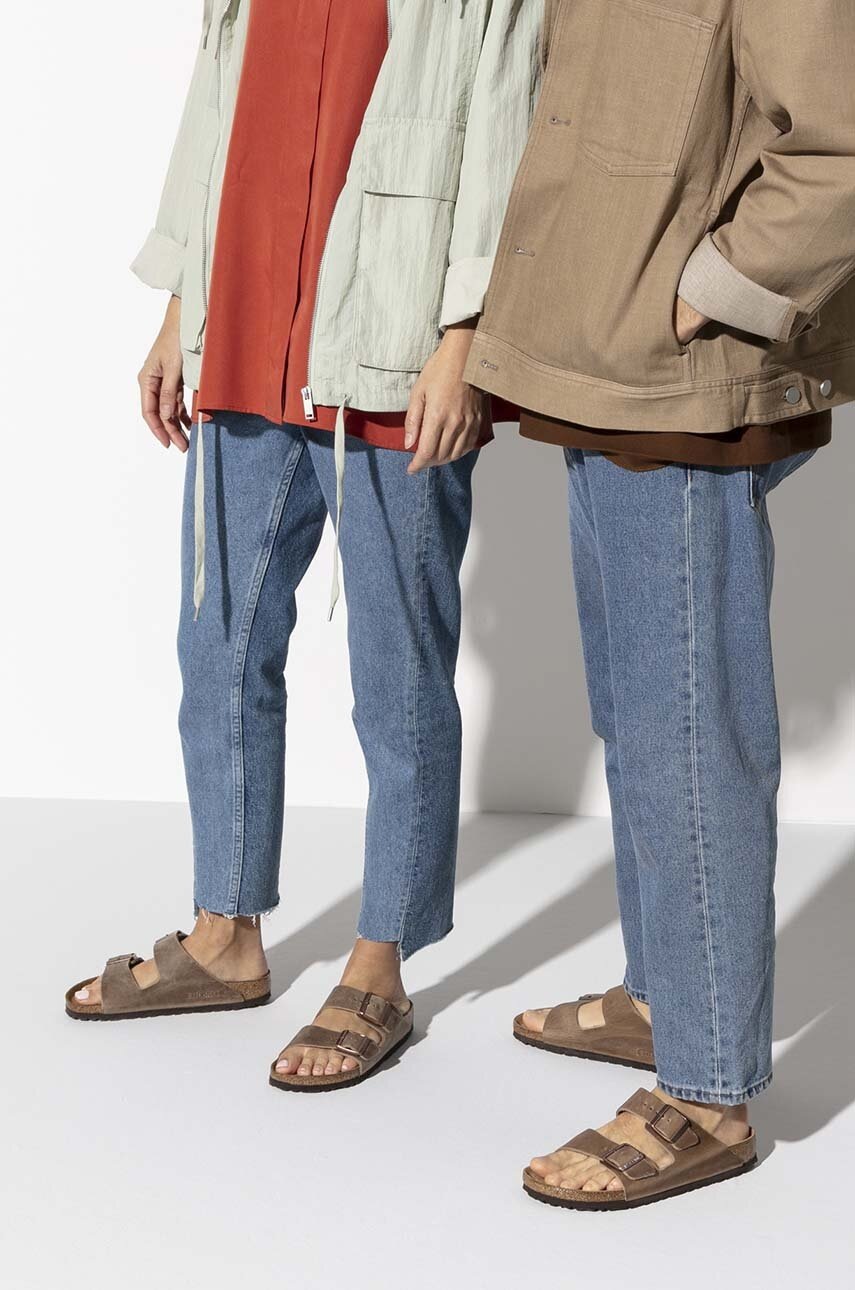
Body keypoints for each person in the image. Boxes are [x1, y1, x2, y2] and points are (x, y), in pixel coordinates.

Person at [65, 0, 540, 1092]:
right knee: (218, 645)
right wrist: (181, 307)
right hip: (242, 327)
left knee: (397, 674)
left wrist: (467, 337)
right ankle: (224, 935)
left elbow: (506, 130)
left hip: (391, 344)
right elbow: (217, 112)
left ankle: (381, 965)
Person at [469, 0, 855, 1207]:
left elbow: (839, 143)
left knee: (690, 735)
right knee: (639, 718)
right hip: (604, 360)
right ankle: (663, 1001)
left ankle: (706, 1092)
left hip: (684, 378)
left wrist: (714, 291)